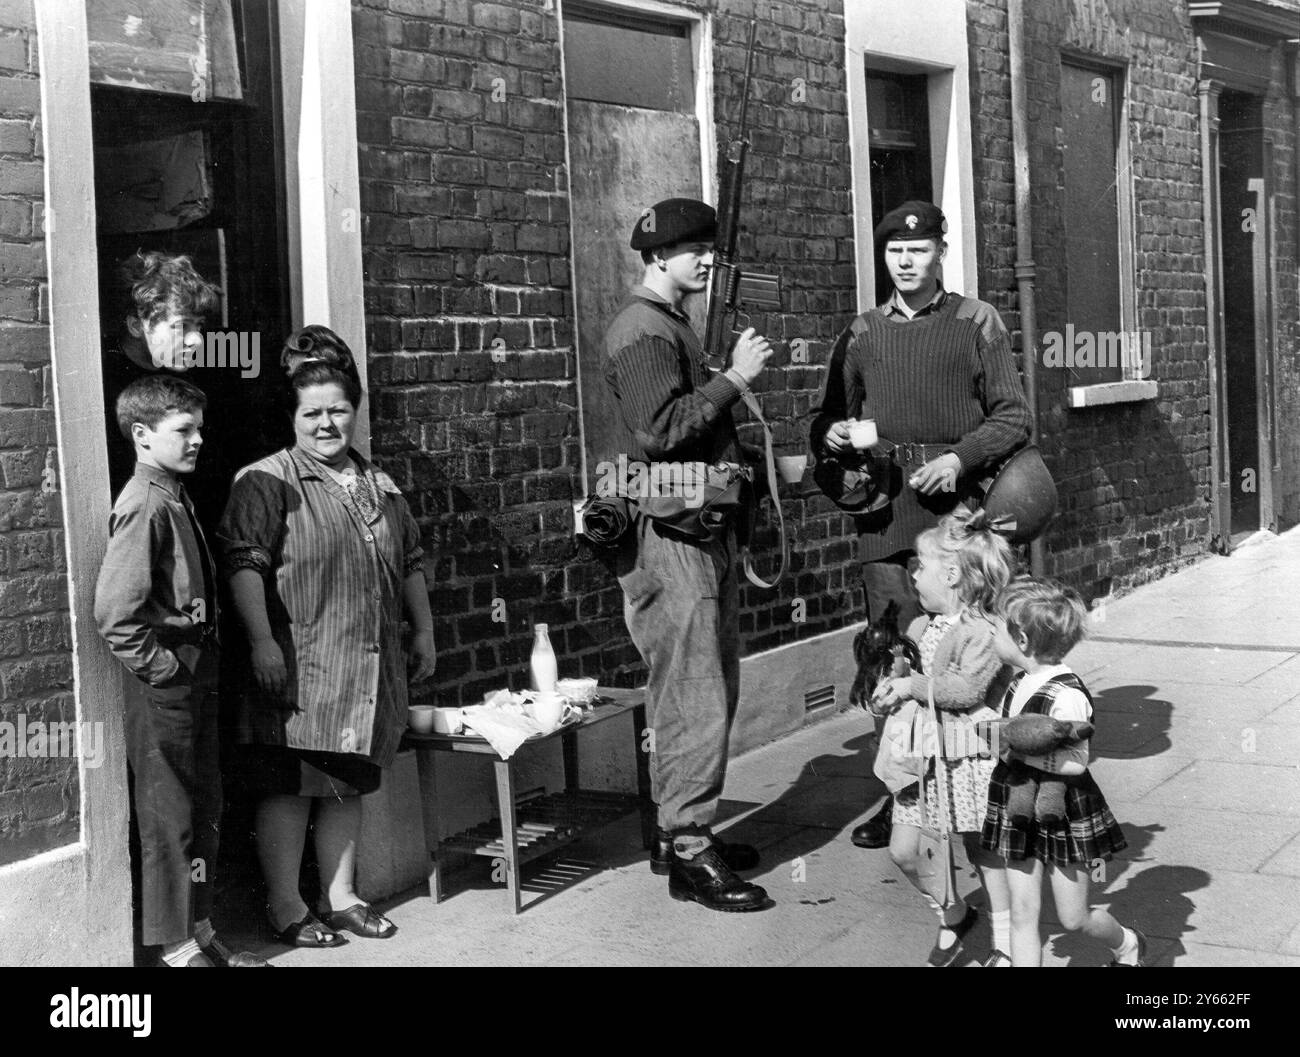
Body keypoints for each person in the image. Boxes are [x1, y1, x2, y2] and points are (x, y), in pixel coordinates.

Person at [811, 200, 1032, 850]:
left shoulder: (975, 321)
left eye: (919, 250)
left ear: (940, 251)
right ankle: (901, 791)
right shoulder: (862, 333)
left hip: (958, 521)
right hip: (885, 520)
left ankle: (989, 779)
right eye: (894, 252)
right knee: (893, 653)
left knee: (970, 655)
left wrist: (959, 458)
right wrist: (836, 433)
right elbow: (822, 423)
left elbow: (1014, 416)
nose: (906, 261)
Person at [218, 328, 437, 947]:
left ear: (354, 411)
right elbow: (244, 565)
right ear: (291, 417)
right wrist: (261, 641)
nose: (325, 423)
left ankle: (341, 897)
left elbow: (411, 560)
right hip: (301, 664)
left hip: (367, 667)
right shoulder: (264, 481)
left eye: (338, 410)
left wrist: (422, 630)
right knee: (291, 786)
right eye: (311, 412)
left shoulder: (380, 484)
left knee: (349, 782)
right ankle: (288, 907)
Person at [604, 197, 773, 911]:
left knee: (700, 688)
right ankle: (690, 849)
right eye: (691, 247)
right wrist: (734, 378)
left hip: (697, 530)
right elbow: (660, 430)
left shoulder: (671, 322)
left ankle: (679, 830)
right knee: (693, 693)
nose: (707, 257)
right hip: (670, 538)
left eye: (708, 244)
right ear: (655, 257)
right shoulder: (643, 328)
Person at [93, 375, 267, 967]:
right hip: (166, 681)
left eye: (199, 428)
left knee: (203, 804)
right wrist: (165, 671)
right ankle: (175, 947)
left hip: (195, 671)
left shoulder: (172, 493)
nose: (198, 440)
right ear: (142, 437)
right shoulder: (143, 505)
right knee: (170, 815)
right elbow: (115, 616)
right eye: (183, 430)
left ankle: (201, 926)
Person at [868, 509, 1016, 966]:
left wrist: (911, 686)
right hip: (923, 759)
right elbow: (914, 684)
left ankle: (1006, 947)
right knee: (904, 851)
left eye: (921, 565)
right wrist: (890, 690)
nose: (913, 573)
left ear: (951, 574)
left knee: (983, 855)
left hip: (968, 759)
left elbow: (964, 690)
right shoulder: (920, 627)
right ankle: (953, 912)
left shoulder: (983, 632)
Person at [983, 577, 1146, 967]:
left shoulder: (1067, 694)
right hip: (1017, 801)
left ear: (1022, 640)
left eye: (996, 627)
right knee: (1023, 913)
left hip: (1062, 810)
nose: (990, 633)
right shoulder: (1017, 681)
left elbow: (1077, 761)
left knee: (1073, 919)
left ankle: (1127, 944)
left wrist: (1016, 752)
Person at [101, 251, 224, 519]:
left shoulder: (192, 378)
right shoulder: (101, 386)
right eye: (181, 326)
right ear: (136, 325)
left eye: (199, 326)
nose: (197, 340)